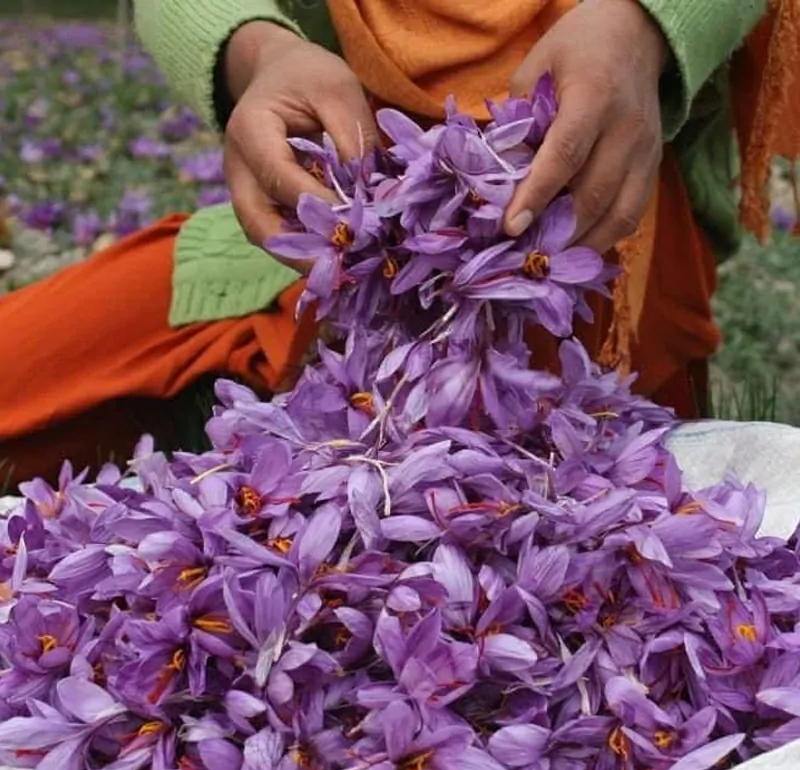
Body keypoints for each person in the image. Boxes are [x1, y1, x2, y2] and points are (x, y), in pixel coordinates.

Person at [0, 0, 797, 484]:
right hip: (340, 233)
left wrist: (645, 26)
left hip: (586, 247)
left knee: (515, 491)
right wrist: (260, 51)